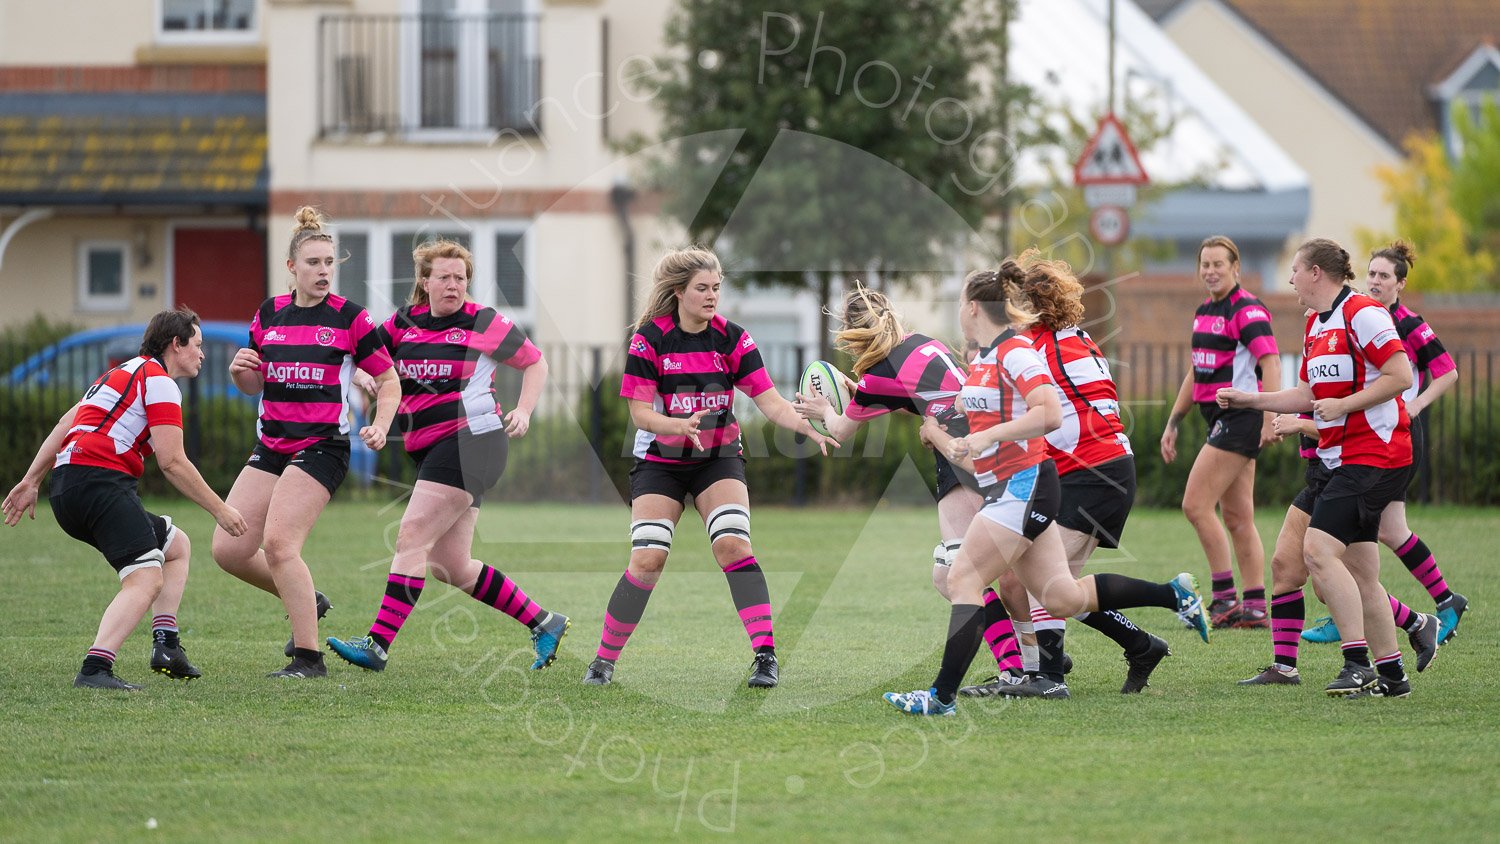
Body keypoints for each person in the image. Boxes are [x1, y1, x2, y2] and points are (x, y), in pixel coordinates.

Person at [883, 263, 1209, 717]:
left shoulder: (1022, 351)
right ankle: (1158, 608)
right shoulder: (995, 359)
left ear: (973, 307)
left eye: (959, 301)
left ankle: (965, 692)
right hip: (1035, 482)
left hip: (1045, 480)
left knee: (962, 578)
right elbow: (959, 421)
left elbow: (1048, 414)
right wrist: (930, 426)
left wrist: (986, 433)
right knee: (1059, 595)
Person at [581, 246, 835, 689]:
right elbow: (640, 414)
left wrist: (809, 427)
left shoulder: (732, 339)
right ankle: (603, 661)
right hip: (660, 461)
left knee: (733, 546)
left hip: (718, 458)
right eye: (702, 288)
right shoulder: (649, 339)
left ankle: (765, 658)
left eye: (716, 287)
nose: (712, 295)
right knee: (648, 558)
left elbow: (771, 402)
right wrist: (677, 426)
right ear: (679, 292)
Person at [327, 239, 569, 673]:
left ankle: (376, 645)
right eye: (444, 277)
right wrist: (365, 378)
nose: (454, 285)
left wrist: (524, 411)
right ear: (425, 281)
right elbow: (369, 362)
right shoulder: (403, 323)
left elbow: (536, 363)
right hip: (432, 449)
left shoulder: (482, 321)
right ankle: (544, 622)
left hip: (472, 440)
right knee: (450, 565)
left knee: (411, 536)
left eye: (461, 278)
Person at [953, 249, 1170, 699]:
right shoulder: (1071, 338)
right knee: (1023, 581)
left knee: (1052, 587)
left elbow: (1018, 407)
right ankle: (1134, 646)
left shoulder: (1033, 349)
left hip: (1093, 472)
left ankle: (1050, 676)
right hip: (1095, 469)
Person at [2, 308, 248, 689]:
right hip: (98, 482)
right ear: (176, 344)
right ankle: (95, 667)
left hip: (67, 487)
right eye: (197, 345)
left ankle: (166, 646)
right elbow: (172, 462)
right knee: (146, 579)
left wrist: (32, 480)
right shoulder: (160, 381)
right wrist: (221, 509)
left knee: (176, 546)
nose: (202, 354)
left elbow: (67, 423)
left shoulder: (119, 374)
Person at [1219, 238, 1415, 697]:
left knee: (1317, 551)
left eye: (1294, 270)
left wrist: (1344, 404)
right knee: (1361, 573)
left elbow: (1401, 376)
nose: (1289, 279)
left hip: (1374, 455)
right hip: (1342, 457)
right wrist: (1252, 400)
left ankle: (1357, 663)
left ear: (1315, 273)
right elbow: (1308, 394)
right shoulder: (1315, 322)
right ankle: (1393, 676)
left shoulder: (1363, 313)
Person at [212, 207, 401, 679]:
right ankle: (305, 600)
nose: (323, 271)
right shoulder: (269, 313)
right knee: (229, 550)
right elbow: (254, 384)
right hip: (271, 446)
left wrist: (381, 424)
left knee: (279, 546)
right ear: (292, 267)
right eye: (313, 262)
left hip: (322, 447)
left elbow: (389, 380)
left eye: (329, 262)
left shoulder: (351, 318)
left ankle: (308, 658)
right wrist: (239, 374)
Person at [1301, 241, 1467, 645]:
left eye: (1384, 276)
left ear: (1400, 284)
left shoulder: (1406, 323)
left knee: (1358, 531)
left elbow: (1447, 371)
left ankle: (1365, 611)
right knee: (1388, 531)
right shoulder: (1350, 313)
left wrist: (1416, 404)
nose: (1375, 281)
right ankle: (1438, 603)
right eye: (1371, 273)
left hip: (1392, 435)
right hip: (1363, 436)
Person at [792, 283, 981, 600]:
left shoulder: (879, 376)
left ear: (854, 334)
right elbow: (919, 398)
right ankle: (1021, 632)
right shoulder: (922, 342)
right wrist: (862, 395)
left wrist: (823, 410)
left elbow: (840, 431)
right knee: (949, 573)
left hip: (958, 449)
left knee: (960, 573)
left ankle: (1021, 635)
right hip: (980, 433)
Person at [1237, 410, 1437, 687]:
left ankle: (1400, 639)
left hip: (1345, 478)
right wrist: (1250, 401)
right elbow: (1302, 397)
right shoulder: (1315, 380)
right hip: (1320, 476)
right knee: (1285, 567)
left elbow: (1352, 431)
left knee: (1339, 584)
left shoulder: (1354, 383)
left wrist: (1299, 424)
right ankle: (1284, 668)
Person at [1161, 236, 1280, 628]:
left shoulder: (1247, 309)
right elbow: (1197, 370)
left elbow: (1271, 362)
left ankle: (1226, 599)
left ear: (1236, 268)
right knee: (1237, 517)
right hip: (1219, 420)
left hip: (1240, 417)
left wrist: (1270, 417)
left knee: (1195, 505)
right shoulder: (1204, 311)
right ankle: (1256, 606)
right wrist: (1174, 421)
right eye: (1205, 264)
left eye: (1218, 264)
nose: (1210, 271)